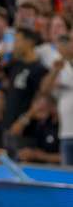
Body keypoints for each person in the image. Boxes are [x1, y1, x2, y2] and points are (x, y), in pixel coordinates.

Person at [2, 28, 47, 131]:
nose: (14, 45)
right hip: (8, 123)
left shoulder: (39, 69)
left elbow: (40, 98)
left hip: (26, 129)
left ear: (29, 42)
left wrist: (23, 121)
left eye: (17, 41)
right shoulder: (15, 64)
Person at [41, 33, 73, 165]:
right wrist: (55, 70)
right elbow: (45, 90)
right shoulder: (60, 66)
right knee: (67, 179)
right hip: (66, 133)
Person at [8, 94, 60, 164]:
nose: (41, 111)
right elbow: (13, 132)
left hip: (55, 168)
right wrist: (30, 113)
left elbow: (67, 156)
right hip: (32, 165)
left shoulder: (58, 125)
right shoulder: (33, 121)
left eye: (44, 108)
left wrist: (40, 156)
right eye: (38, 108)